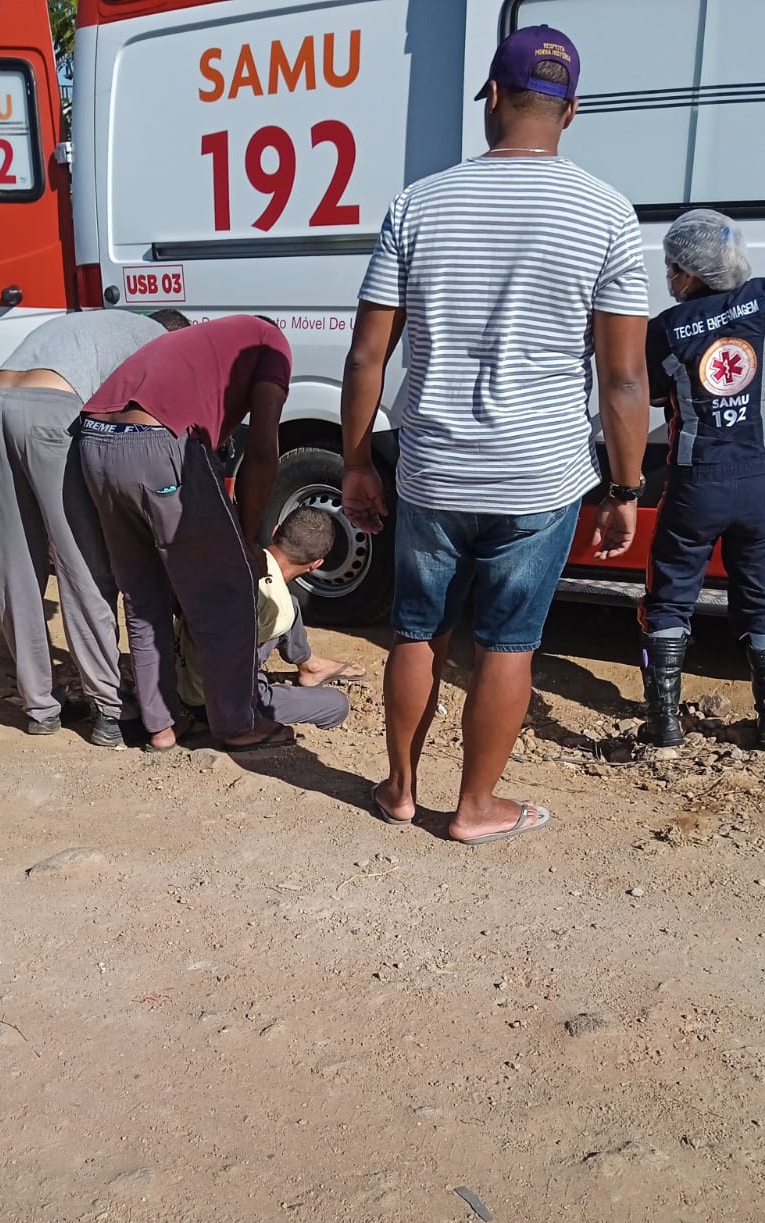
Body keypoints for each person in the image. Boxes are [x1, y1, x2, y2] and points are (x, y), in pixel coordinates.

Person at [341, 24, 650, 843]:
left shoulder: (418, 203)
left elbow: (368, 353)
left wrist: (354, 464)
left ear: (493, 97)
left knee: (417, 630)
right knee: (509, 641)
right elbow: (623, 380)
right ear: (571, 110)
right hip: (538, 477)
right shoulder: (609, 215)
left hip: (433, 468)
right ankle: (475, 809)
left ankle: (401, 790)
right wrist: (624, 489)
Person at [80, 314, 295, 753]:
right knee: (230, 588)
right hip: (155, 443)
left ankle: (161, 724)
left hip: (93, 440)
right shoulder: (272, 343)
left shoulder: (203, 344)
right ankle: (237, 724)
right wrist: (247, 541)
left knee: (142, 594)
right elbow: (261, 452)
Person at [0, 308, 189, 745]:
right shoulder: (159, 344)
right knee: (83, 566)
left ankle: (39, 707)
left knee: (15, 562)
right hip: (52, 409)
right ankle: (110, 711)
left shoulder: (105, 325)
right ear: (175, 337)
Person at [641, 211, 765, 748]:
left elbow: (647, 396)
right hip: (759, 475)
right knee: (760, 599)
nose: (669, 275)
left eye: (672, 265)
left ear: (690, 273)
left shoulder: (664, 330)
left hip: (695, 482)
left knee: (669, 596)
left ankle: (665, 725)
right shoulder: (761, 299)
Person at [175, 504, 364, 734]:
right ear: (316, 565)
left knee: (290, 605)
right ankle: (295, 675)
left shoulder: (232, 561)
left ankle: (310, 665)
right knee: (336, 706)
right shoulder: (278, 610)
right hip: (211, 702)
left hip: (180, 670)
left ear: (275, 531)